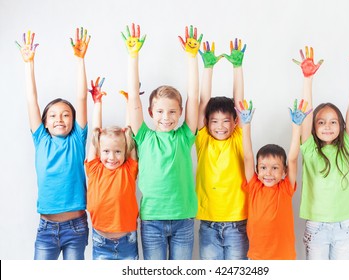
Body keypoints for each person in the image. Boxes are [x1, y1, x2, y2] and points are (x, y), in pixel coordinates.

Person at [124, 23, 200, 260]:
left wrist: (191, 57)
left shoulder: (185, 135)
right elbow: (133, 99)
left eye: (172, 112)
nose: (166, 118)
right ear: (150, 112)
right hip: (152, 220)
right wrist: (133, 56)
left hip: (183, 219)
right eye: (159, 112)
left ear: (180, 112)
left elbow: (194, 97)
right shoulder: (145, 137)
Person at [293, 45, 349, 260]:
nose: (327, 126)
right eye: (321, 122)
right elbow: (306, 111)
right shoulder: (309, 150)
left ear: (341, 126)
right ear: (313, 126)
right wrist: (307, 79)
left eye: (333, 122)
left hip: (344, 227)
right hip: (317, 227)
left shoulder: (345, 147)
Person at [16, 28, 90, 260]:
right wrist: (29, 64)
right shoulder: (41, 139)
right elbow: (31, 100)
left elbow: (81, 97)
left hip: (76, 227)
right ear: (44, 123)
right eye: (53, 115)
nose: (60, 119)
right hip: (46, 229)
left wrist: (80, 60)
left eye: (66, 115)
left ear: (74, 119)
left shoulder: (78, 139)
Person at [195, 39, 249, 259]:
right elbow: (202, 104)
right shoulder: (203, 140)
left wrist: (237, 67)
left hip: (237, 222)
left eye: (226, 121)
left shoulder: (238, 137)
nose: (220, 126)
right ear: (207, 122)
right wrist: (208, 68)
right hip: (209, 222)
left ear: (235, 122)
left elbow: (240, 104)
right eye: (214, 121)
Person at [239, 98, 311, 260]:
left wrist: (296, 127)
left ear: (284, 171)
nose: (268, 173)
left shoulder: (285, 188)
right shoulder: (254, 186)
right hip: (257, 258)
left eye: (275, 168)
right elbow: (248, 157)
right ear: (257, 170)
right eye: (263, 168)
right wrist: (246, 125)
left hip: (283, 258)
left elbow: (292, 158)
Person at [85, 77, 139, 260]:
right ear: (99, 150)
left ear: (125, 151)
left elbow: (130, 130)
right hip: (101, 241)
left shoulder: (129, 169)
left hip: (128, 240)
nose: (111, 157)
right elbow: (95, 130)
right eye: (106, 151)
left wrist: (131, 102)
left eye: (117, 151)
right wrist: (98, 102)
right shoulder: (93, 168)